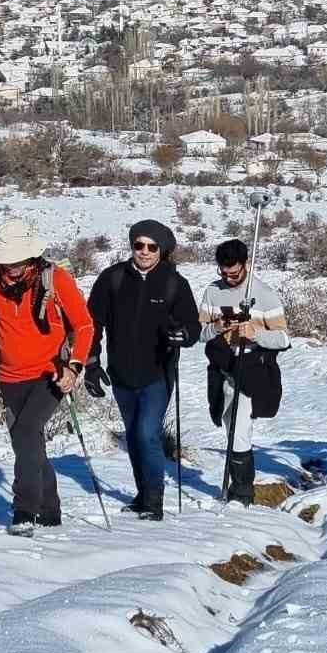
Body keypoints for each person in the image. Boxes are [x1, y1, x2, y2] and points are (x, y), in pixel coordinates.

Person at [0, 218, 95, 537]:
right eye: (4, 260)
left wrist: (75, 367)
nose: (10, 266)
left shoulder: (56, 278)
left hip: (50, 372)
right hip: (9, 375)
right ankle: (51, 511)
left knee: (26, 432)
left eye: (16, 259)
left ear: (30, 255)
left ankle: (24, 510)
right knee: (28, 444)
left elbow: (84, 325)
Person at [84, 219, 198, 521]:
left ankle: (155, 500)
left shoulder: (175, 284)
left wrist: (182, 335)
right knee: (134, 436)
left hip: (157, 373)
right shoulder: (113, 279)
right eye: (139, 245)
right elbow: (91, 323)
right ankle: (142, 493)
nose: (144, 252)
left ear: (162, 250)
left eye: (152, 247)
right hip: (120, 373)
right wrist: (91, 362)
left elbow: (192, 326)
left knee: (148, 434)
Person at [198, 239, 288, 506]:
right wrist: (216, 326)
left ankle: (242, 493)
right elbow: (200, 334)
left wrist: (256, 334)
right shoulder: (212, 293)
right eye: (223, 273)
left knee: (239, 428)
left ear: (246, 264)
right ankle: (239, 486)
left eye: (234, 273)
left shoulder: (265, 294)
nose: (228, 278)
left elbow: (283, 339)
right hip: (221, 369)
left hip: (251, 371)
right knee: (229, 426)